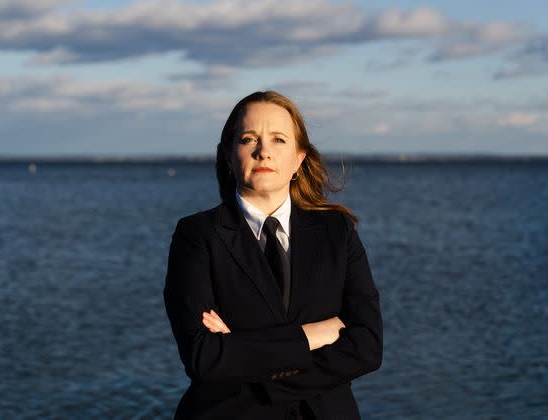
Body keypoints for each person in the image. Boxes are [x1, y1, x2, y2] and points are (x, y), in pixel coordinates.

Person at [163, 91, 383, 419]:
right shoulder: (197, 235)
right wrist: (312, 335)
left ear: (299, 158)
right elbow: (204, 357)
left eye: (279, 139)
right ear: (226, 155)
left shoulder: (337, 231)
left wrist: (245, 355)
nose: (264, 151)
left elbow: (366, 347)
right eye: (249, 138)